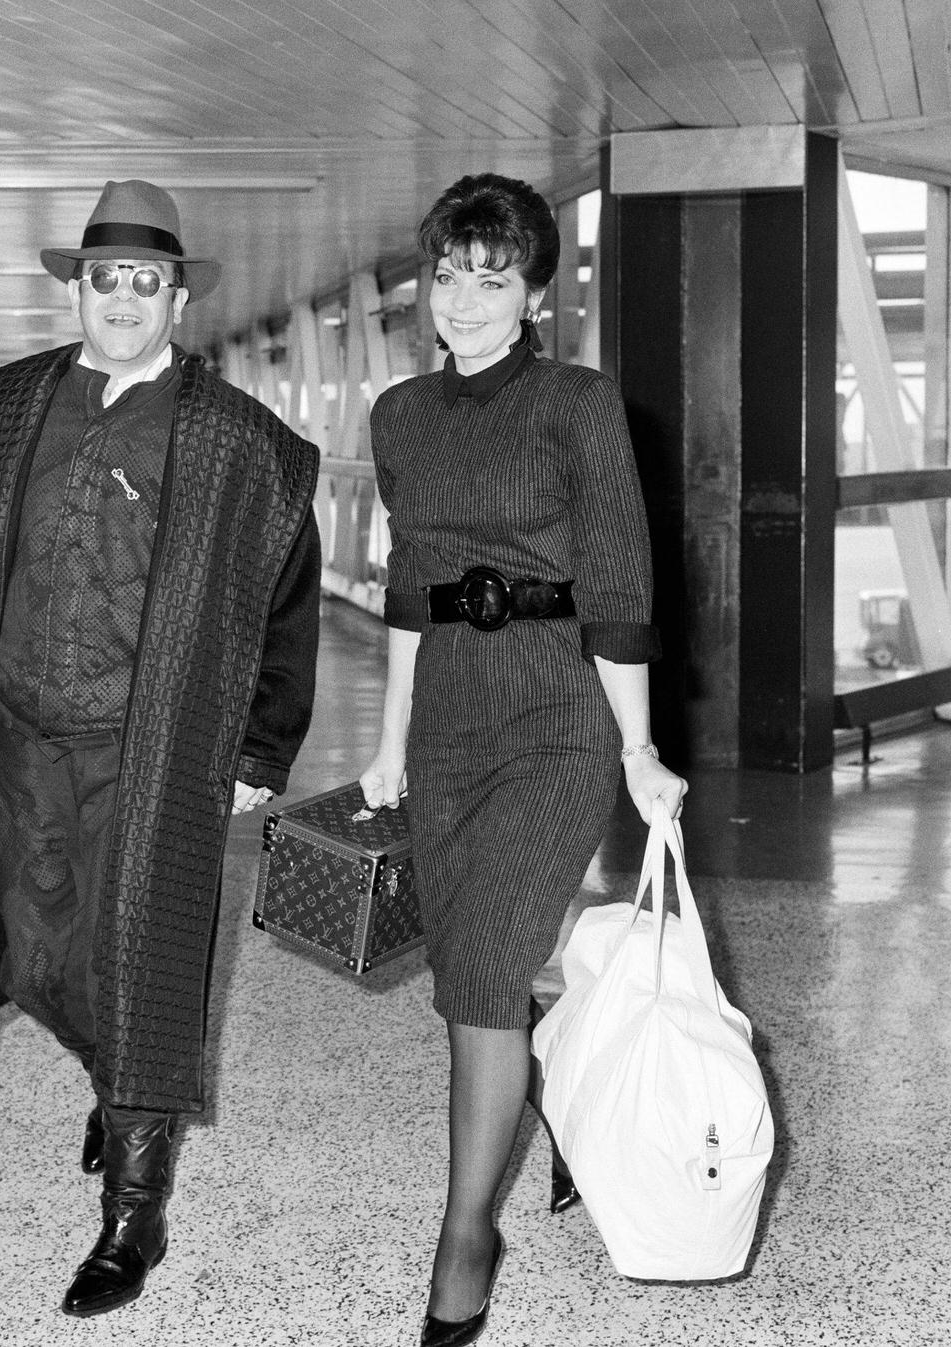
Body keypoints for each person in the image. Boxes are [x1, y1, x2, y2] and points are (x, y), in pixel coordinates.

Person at [0, 179, 321, 1319]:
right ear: (76, 289)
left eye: (146, 281)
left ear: (178, 299)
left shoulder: (240, 446)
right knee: (36, 946)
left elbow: (286, 606)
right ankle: (114, 1079)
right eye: (103, 278)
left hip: (154, 749)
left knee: (136, 958)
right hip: (21, 735)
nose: (123, 299)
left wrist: (261, 747)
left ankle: (134, 1211)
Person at [358, 173, 686, 1347]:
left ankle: (463, 1239)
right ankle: (554, 1118)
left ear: (534, 288)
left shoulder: (575, 403)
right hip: (446, 716)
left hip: (556, 719)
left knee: (487, 970)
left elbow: (616, 585)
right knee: (471, 969)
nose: (462, 299)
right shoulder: (397, 416)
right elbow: (403, 587)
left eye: (489, 278)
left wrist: (639, 749)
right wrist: (389, 738)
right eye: (447, 274)